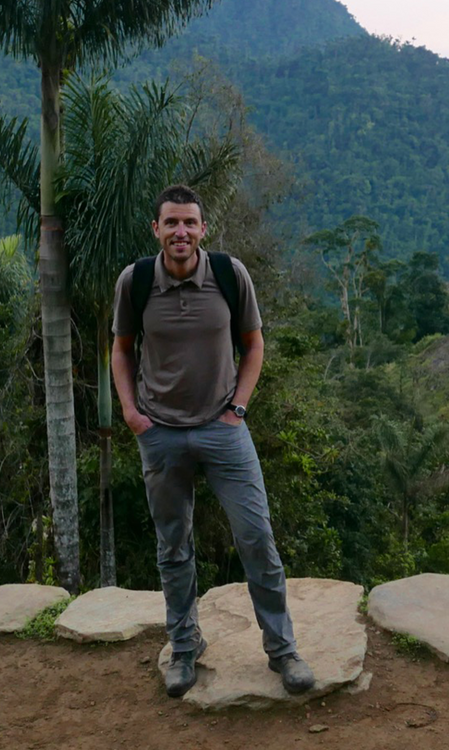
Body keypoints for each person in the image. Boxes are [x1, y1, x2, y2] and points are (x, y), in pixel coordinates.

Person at [110, 184, 314, 698]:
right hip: (160, 434)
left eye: (190, 223)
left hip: (223, 430)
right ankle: (184, 649)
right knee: (173, 548)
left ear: (203, 229)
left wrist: (238, 408)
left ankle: (282, 650)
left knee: (256, 538)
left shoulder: (228, 275)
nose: (181, 232)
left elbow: (253, 344)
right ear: (156, 229)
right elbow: (121, 349)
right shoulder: (134, 282)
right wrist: (133, 414)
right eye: (171, 223)